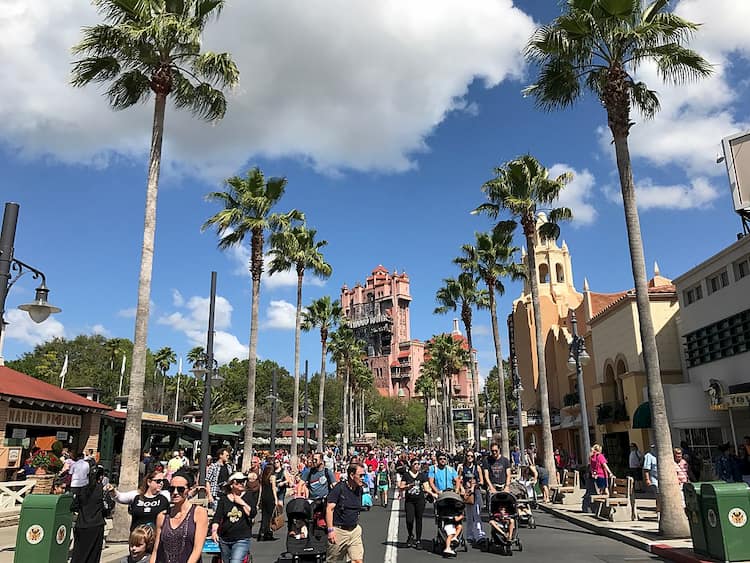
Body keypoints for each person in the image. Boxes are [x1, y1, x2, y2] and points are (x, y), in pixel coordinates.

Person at [151, 471, 208, 563]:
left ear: (189, 490)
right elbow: (156, 549)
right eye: (171, 489)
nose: (175, 492)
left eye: (180, 489)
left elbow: (197, 549)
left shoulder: (199, 513)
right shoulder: (162, 516)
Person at [210, 472, 256, 563]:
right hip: (225, 539)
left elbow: (252, 514)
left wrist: (242, 503)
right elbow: (217, 517)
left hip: (242, 538)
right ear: (231, 484)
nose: (242, 483)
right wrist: (214, 531)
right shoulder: (223, 499)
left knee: (235, 561)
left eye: (243, 481)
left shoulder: (248, 496)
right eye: (239, 481)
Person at [326, 463, 365, 563]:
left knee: (357, 560)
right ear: (352, 475)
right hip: (339, 532)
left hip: (354, 531)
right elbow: (329, 509)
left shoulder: (359, 489)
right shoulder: (339, 488)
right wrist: (330, 530)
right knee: (332, 561)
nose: (363, 478)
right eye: (360, 475)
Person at [71, 464, 106, 563]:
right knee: (93, 555)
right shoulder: (102, 490)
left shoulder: (81, 489)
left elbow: (73, 506)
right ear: (101, 476)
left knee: (78, 554)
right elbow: (107, 508)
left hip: (81, 525)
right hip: (96, 525)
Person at [399, 459, 429, 549]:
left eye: (418, 464)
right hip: (410, 501)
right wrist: (408, 486)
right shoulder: (406, 475)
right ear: (411, 465)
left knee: (419, 519)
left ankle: (418, 539)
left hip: (420, 500)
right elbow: (401, 486)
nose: (417, 465)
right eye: (415, 464)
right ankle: (410, 535)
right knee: (409, 519)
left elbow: (426, 487)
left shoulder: (422, 475)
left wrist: (433, 494)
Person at [457, 451, 485, 544]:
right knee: (469, 516)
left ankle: (479, 535)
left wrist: (474, 485)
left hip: (475, 492)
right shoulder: (461, 467)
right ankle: (469, 535)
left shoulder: (477, 468)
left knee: (477, 514)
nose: (470, 457)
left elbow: (481, 481)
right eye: (468, 456)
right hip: (466, 493)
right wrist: (462, 489)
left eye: (471, 456)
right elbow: (459, 480)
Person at [257, 461, 280, 541]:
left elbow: (260, 489)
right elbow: (273, 489)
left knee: (264, 516)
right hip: (270, 497)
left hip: (264, 496)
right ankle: (268, 533)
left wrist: (259, 499)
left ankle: (261, 533)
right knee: (270, 517)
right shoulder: (272, 477)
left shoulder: (263, 477)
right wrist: (276, 499)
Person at [643, 444, 659, 514]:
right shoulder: (649, 456)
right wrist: (647, 479)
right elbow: (646, 469)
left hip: (663, 478)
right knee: (658, 494)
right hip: (654, 478)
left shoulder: (662, 455)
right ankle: (659, 509)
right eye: (653, 447)